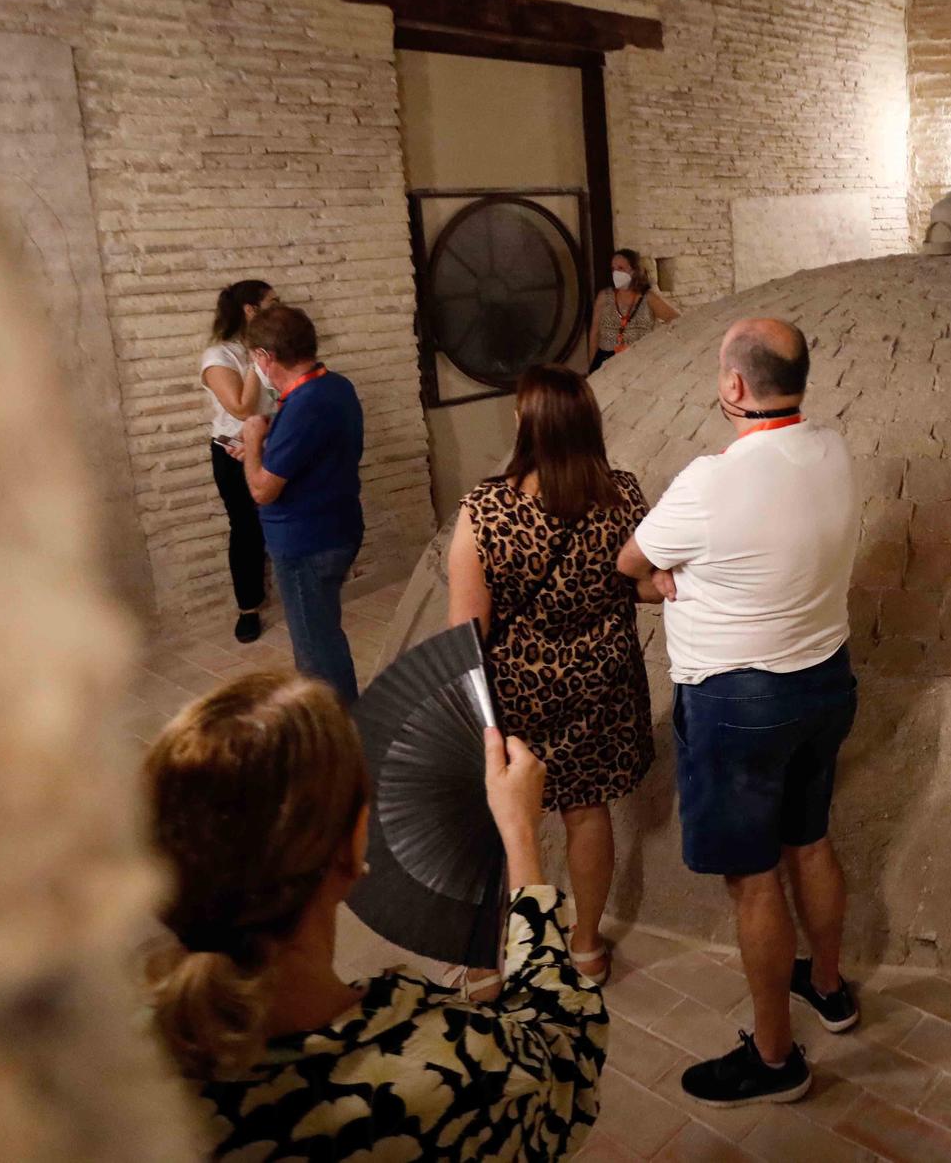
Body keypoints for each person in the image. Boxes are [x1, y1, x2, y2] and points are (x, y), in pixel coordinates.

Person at [141, 669, 607, 1160]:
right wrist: (519, 834)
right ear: (347, 848)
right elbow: (564, 1055)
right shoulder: (451, 1074)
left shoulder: (101, 1065)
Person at [616, 318, 862, 1107]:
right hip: (825, 680)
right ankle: (827, 986)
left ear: (733, 386)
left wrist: (661, 584)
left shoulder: (709, 481)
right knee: (811, 839)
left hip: (737, 702)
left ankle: (775, 1058)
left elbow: (632, 564)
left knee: (754, 882)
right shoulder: (832, 450)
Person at [446, 365, 662, 986]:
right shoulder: (621, 495)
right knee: (587, 812)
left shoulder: (485, 510)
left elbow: (466, 633)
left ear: (526, 425)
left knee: (506, 823)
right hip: (603, 684)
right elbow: (640, 584)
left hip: (517, 695)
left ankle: (495, 961)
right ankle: (587, 949)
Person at [239, 305, 365, 702]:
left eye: (254, 358)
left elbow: (261, 490)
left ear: (265, 357)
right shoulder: (335, 385)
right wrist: (269, 444)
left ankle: (339, 739)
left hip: (307, 543)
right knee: (324, 634)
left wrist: (253, 441)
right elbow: (311, 452)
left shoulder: (306, 404)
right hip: (336, 527)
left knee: (317, 655)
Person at [200, 280, 280, 643]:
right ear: (250, 310)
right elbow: (241, 407)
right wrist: (256, 362)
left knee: (283, 516)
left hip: (274, 442)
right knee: (246, 529)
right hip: (233, 451)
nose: (278, 308)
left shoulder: (271, 348)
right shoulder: (220, 356)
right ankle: (248, 608)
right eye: (271, 303)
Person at [588, 248, 680, 372]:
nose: (616, 273)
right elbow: (594, 334)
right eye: (613, 269)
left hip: (638, 361)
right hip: (606, 360)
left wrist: (658, 347)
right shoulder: (604, 297)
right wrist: (592, 368)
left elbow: (676, 320)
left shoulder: (649, 298)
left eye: (621, 268)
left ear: (634, 271)